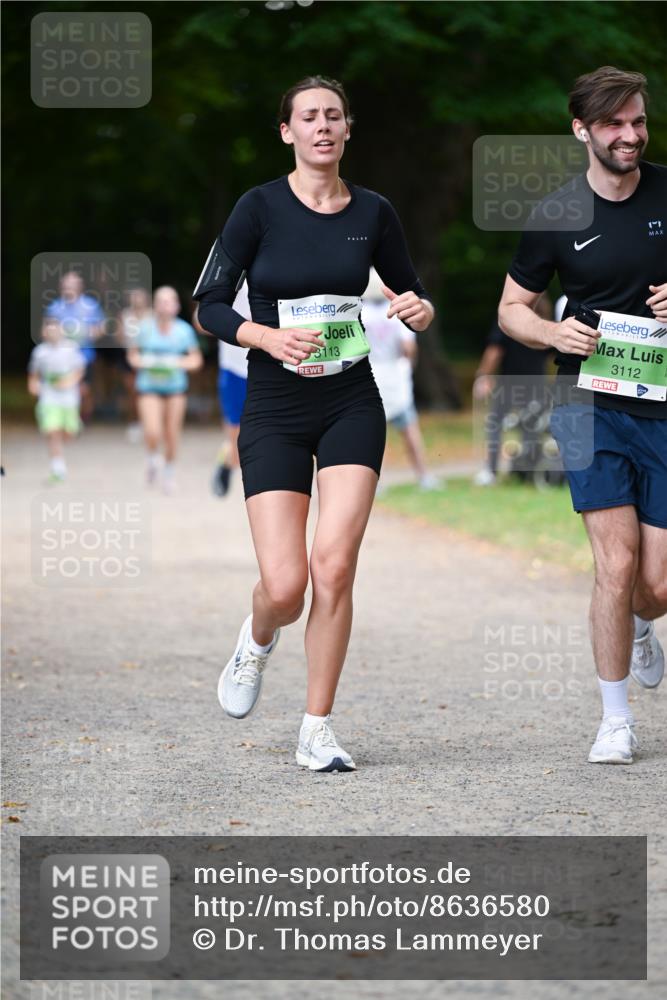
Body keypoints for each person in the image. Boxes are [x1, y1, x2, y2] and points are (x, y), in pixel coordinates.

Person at [194, 76, 434, 773]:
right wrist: (263, 339)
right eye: (308, 117)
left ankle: (316, 728)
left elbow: (406, 289)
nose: (322, 126)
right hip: (273, 404)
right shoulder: (257, 207)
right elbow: (207, 304)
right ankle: (257, 639)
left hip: (350, 401)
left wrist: (416, 309)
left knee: (334, 565)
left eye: (333, 116)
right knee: (284, 586)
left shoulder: (374, 211)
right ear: (287, 132)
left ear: (348, 130)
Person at [498, 67, 666, 764]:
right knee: (613, 562)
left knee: (653, 585)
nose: (628, 136)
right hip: (584, 402)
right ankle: (614, 719)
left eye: (636, 122)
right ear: (581, 130)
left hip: (661, 405)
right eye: (612, 125)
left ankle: (640, 623)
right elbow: (510, 311)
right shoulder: (553, 215)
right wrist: (550, 333)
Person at [364, 268, 439, 491]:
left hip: (371, 373)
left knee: (375, 432)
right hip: (394, 374)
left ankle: (377, 480)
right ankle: (424, 475)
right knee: (409, 428)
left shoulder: (361, 313)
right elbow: (408, 348)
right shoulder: (397, 312)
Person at [127, 286, 203, 494]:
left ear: (176, 306)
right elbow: (132, 357)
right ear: (155, 305)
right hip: (148, 387)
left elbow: (196, 360)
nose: (165, 305)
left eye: (169, 301)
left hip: (175, 389)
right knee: (153, 431)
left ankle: (169, 473)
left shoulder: (184, 330)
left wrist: (176, 363)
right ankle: (152, 458)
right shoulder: (144, 328)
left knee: (172, 434)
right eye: (161, 301)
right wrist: (147, 361)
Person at [473, 294, 553, 486]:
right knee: (530, 427)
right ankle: (526, 471)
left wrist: (483, 375)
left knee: (495, 425)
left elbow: (495, 351)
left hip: (509, 384)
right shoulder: (545, 323)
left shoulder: (508, 320)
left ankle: (491, 471)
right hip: (536, 384)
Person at [28, 316, 85, 483]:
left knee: (68, 433)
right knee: (52, 431)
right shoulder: (40, 352)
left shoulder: (71, 348)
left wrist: (70, 381)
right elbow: (34, 374)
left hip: (69, 397)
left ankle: (74, 427)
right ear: (43, 333)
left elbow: (79, 369)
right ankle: (57, 467)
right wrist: (33, 385)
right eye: (48, 329)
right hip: (49, 395)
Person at [46, 271, 105, 423]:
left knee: (84, 389)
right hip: (62, 356)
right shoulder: (54, 307)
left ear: (80, 287)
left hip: (85, 354)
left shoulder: (91, 305)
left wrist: (88, 333)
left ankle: (84, 417)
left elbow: (101, 328)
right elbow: (46, 330)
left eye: (72, 285)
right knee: (67, 385)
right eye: (66, 285)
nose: (69, 288)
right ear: (61, 287)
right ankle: (69, 418)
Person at [210, 283, 250, 497]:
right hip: (234, 368)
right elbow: (203, 317)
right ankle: (226, 461)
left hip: (268, 366)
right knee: (236, 437)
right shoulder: (229, 272)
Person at [119, 287, 152, 442]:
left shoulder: (152, 315)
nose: (137, 300)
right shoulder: (125, 315)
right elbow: (119, 338)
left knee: (148, 391)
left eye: (139, 297)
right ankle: (134, 422)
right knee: (132, 392)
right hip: (128, 357)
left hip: (148, 356)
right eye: (134, 297)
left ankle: (149, 423)